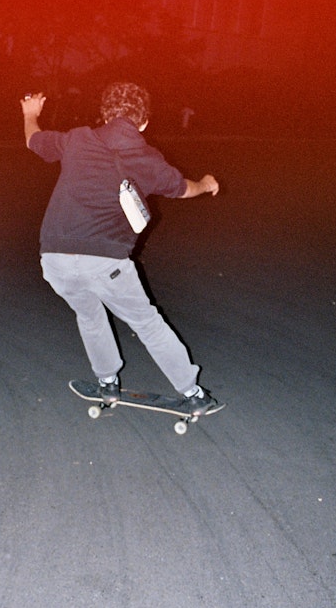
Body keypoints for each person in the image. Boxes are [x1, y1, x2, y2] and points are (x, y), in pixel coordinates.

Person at [22, 81, 220, 414]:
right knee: (147, 323)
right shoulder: (145, 157)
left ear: (104, 115)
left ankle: (107, 382)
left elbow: (33, 140)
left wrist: (30, 113)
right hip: (105, 263)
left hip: (54, 257)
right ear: (144, 122)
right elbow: (182, 189)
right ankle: (193, 393)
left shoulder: (77, 138)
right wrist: (206, 183)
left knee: (89, 315)